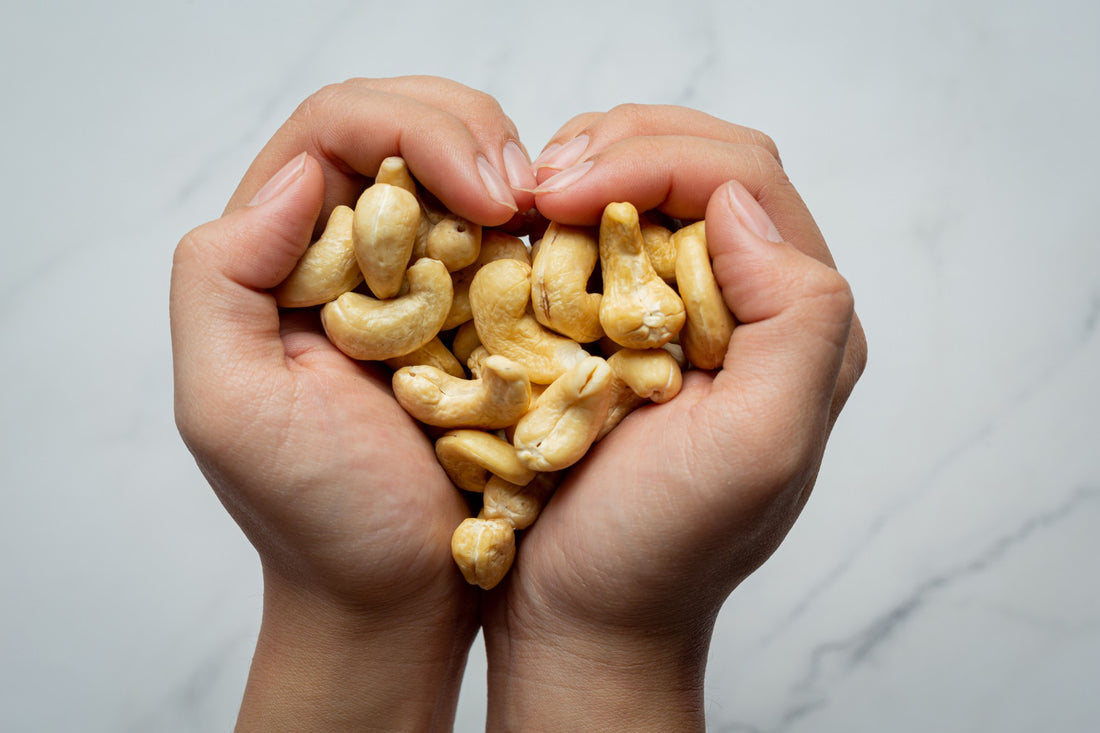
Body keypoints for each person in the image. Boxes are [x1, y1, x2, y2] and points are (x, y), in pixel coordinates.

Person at [169, 75, 866, 732]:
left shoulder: (532, 338)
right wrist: (608, 642)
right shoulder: (527, 335)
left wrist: (598, 629)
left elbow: (520, 335)